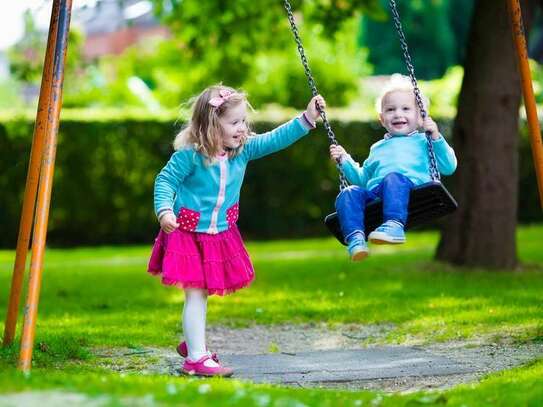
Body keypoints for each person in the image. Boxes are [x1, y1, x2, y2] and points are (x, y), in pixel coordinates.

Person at [148, 84, 325, 376]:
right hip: (187, 234)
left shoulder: (241, 152)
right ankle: (195, 358)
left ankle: (194, 344)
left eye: (243, 121)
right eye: (234, 123)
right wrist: (165, 210)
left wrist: (306, 119)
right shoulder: (190, 156)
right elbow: (165, 181)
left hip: (219, 234)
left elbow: (275, 139)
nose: (242, 128)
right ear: (210, 125)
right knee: (196, 294)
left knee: (200, 295)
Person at [330, 74, 457, 261]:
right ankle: (356, 239)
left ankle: (394, 225)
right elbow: (363, 180)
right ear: (382, 119)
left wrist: (437, 137)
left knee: (393, 178)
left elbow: (449, 166)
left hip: (412, 190)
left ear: (421, 117)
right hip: (377, 194)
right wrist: (345, 161)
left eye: (406, 108)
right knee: (348, 193)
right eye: (390, 110)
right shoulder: (377, 148)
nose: (398, 114)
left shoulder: (425, 140)